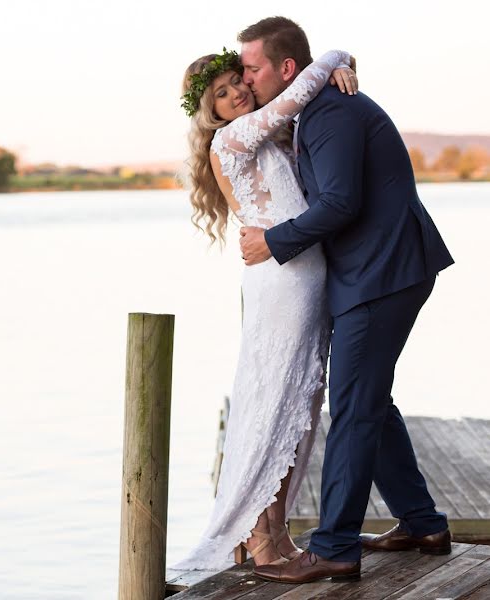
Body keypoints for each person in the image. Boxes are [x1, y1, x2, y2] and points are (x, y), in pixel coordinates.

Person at [237, 17, 454, 584]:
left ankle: (333, 547)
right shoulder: (319, 103)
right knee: (370, 402)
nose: (246, 79)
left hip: (383, 271)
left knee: (354, 407)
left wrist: (272, 241)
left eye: (252, 68)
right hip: (379, 269)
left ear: (287, 69)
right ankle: (422, 522)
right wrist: (337, 60)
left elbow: (340, 203)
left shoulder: (330, 110)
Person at [171, 36, 357, 570]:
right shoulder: (231, 139)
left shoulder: (268, 135)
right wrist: (335, 57)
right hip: (283, 283)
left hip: (304, 280)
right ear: (210, 112)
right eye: (222, 93)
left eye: (237, 83)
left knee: (298, 407)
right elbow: (295, 96)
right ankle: (257, 539)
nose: (236, 96)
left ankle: (274, 533)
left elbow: (297, 109)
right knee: (273, 405)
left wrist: (343, 67)